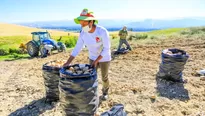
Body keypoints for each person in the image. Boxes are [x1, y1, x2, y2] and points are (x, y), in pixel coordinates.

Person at [63, 8, 111, 100]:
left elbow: (106, 48)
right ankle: (92, 93)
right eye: (81, 24)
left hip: (104, 57)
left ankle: (105, 92)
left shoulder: (102, 31)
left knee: (104, 77)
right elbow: (77, 47)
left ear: (91, 22)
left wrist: (97, 61)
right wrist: (68, 62)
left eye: (84, 23)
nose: (82, 26)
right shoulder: (83, 33)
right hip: (92, 57)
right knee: (91, 76)